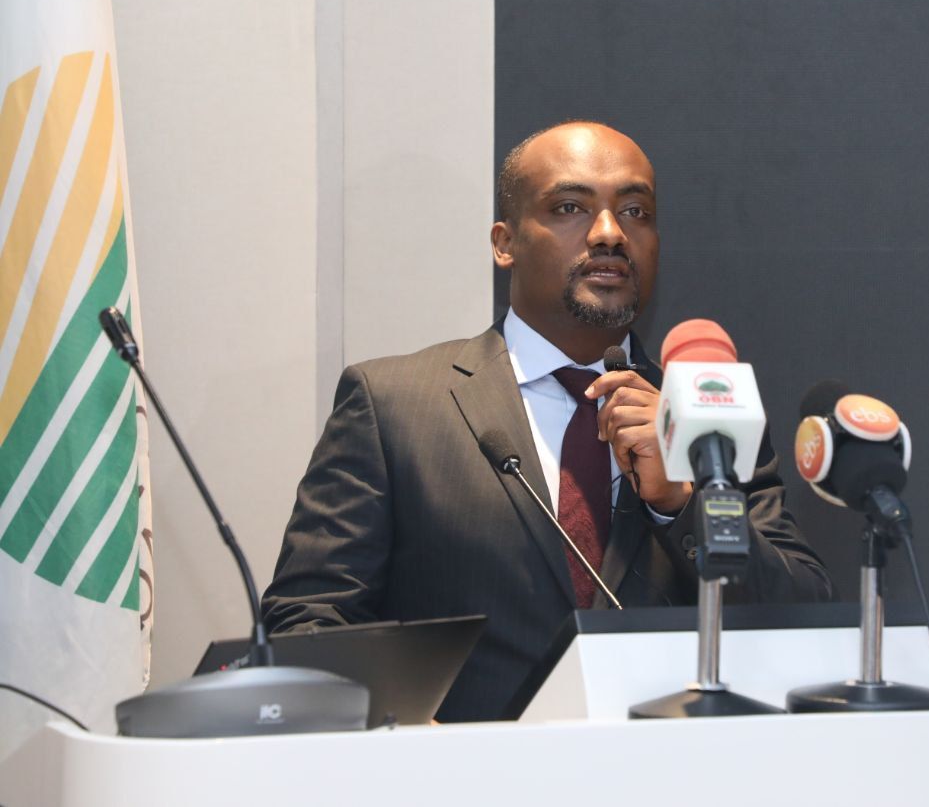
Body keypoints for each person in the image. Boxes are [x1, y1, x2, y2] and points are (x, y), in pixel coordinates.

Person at [261, 121, 833, 722]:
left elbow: (805, 617)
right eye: (569, 208)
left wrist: (680, 504)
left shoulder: (708, 418)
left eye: (635, 211)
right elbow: (307, 626)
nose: (610, 233)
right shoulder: (394, 406)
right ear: (505, 242)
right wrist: (405, 725)